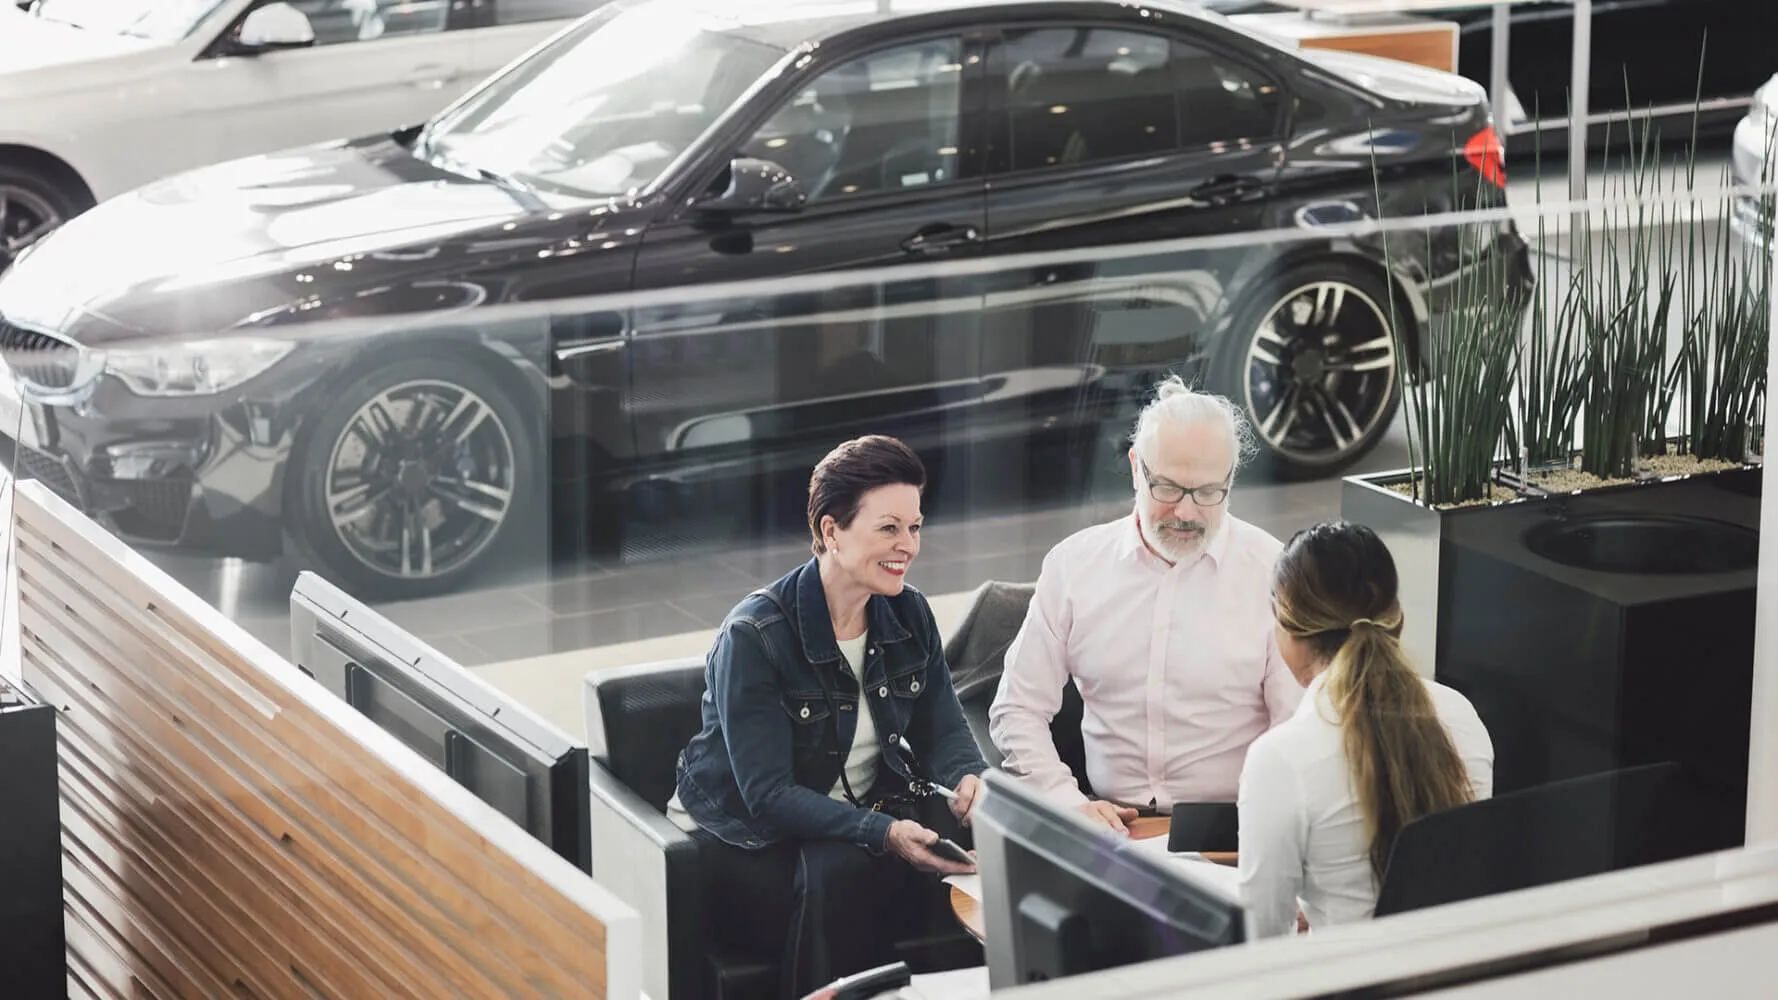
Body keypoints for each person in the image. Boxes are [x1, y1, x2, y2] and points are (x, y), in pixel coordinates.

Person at [671, 435, 989, 998]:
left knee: (969, 854)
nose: (908, 546)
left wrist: (970, 778)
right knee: (843, 869)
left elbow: (942, 725)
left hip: (859, 813)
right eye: (888, 528)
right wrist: (883, 832)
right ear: (830, 531)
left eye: (914, 527)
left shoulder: (907, 610)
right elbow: (768, 793)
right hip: (749, 837)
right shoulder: (755, 635)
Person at [988, 376, 1302, 832]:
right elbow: (1016, 709)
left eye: (1209, 492)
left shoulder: (1273, 572)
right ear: (1137, 468)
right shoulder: (1074, 566)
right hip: (1108, 823)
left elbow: (1296, 729)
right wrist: (1065, 799)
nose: (1187, 512)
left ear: (1231, 481)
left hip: (1236, 826)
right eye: (1169, 489)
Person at [1239, 520, 1494, 938]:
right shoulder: (1460, 715)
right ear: (1397, 619)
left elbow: (1260, 937)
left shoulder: (1282, 759)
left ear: (1288, 630)